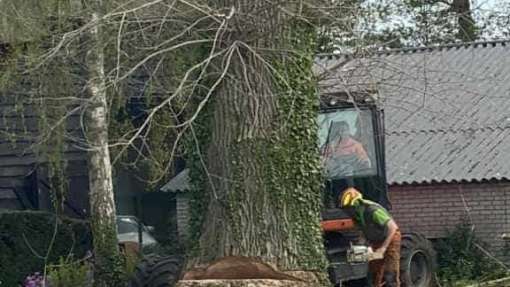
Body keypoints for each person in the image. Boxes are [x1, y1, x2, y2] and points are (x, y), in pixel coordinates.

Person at [339, 187, 401, 287]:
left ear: (356, 204)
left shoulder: (372, 210)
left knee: (390, 272)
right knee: (373, 273)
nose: (347, 212)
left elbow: (393, 228)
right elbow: (363, 231)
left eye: (349, 208)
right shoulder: (356, 216)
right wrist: (360, 246)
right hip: (375, 239)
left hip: (390, 238)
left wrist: (383, 248)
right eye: (345, 209)